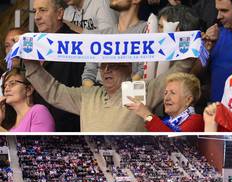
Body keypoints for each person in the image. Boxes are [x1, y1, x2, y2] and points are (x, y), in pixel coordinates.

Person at [23, 54, 194, 132]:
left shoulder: (141, 89)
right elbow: (54, 91)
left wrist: (193, 51)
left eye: (113, 65)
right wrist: (31, 64)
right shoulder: (88, 95)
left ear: (128, 67)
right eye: (103, 66)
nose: (106, 70)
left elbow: (176, 74)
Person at [32, 0, 84, 132]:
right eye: (35, 11)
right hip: (37, 127)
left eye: (43, 10)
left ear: (60, 13)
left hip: (67, 130)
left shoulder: (77, 44)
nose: (37, 17)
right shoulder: (32, 45)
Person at [81, 0, 147, 86]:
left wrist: (118, 93)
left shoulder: (146, 30)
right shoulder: (102, 34)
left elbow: (144, 70)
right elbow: (88, 74)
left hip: (129, 93)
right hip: (98, 92)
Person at [125, 73, 204, 132]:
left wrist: (146, 115)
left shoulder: (196, 120)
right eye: (165, 93)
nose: (166, 98)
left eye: (173, 93)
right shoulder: (166, 121)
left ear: (188, 100)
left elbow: (174, 140)